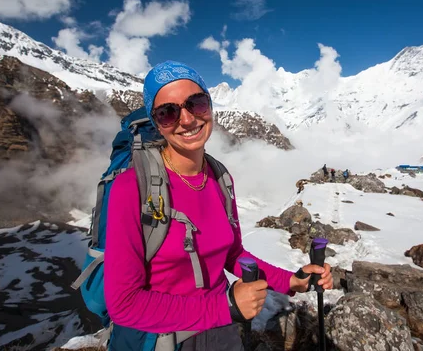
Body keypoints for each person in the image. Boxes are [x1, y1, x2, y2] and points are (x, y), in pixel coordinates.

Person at [104, 61, 333, 351]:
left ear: (210, 106)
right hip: (161, 340)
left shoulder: (219, 177)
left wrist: (291, 281)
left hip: (221, 331)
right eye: (168, 113)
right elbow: (124, 304)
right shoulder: (131, 187)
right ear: (156, 123)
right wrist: (224, 306)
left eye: (196, 104)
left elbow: (233, 254)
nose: (186, 120)